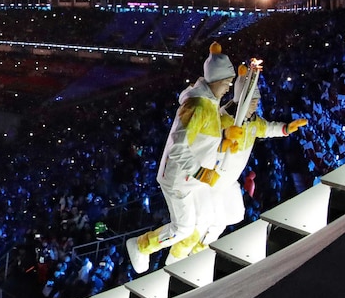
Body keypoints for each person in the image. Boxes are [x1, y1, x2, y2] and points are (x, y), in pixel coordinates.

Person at [165, 66, 308, 263]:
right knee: (205, 223)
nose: (256, 106)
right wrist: (223, 139)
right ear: (241, 101)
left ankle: (198, 253)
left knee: (234, 215)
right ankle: (177, 258)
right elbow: (204, 143)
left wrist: (285, 128)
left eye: (257, 102)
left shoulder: (254, 121)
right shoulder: (222, 118)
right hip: (213, 180)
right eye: (253, 102)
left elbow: (266, 129)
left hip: (230, 181)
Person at [125, 41, 237, 273]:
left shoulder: (209, 102)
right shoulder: (197, 106)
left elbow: (209, 131)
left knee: (207, 220)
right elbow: (177, 148)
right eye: (228, 82)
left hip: (194, 180)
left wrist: (227, 132)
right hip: (178, 180)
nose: (229, 87)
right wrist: (202, 173)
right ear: (216, 80)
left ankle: (184, 262)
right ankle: (140, 246)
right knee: (184, 228)